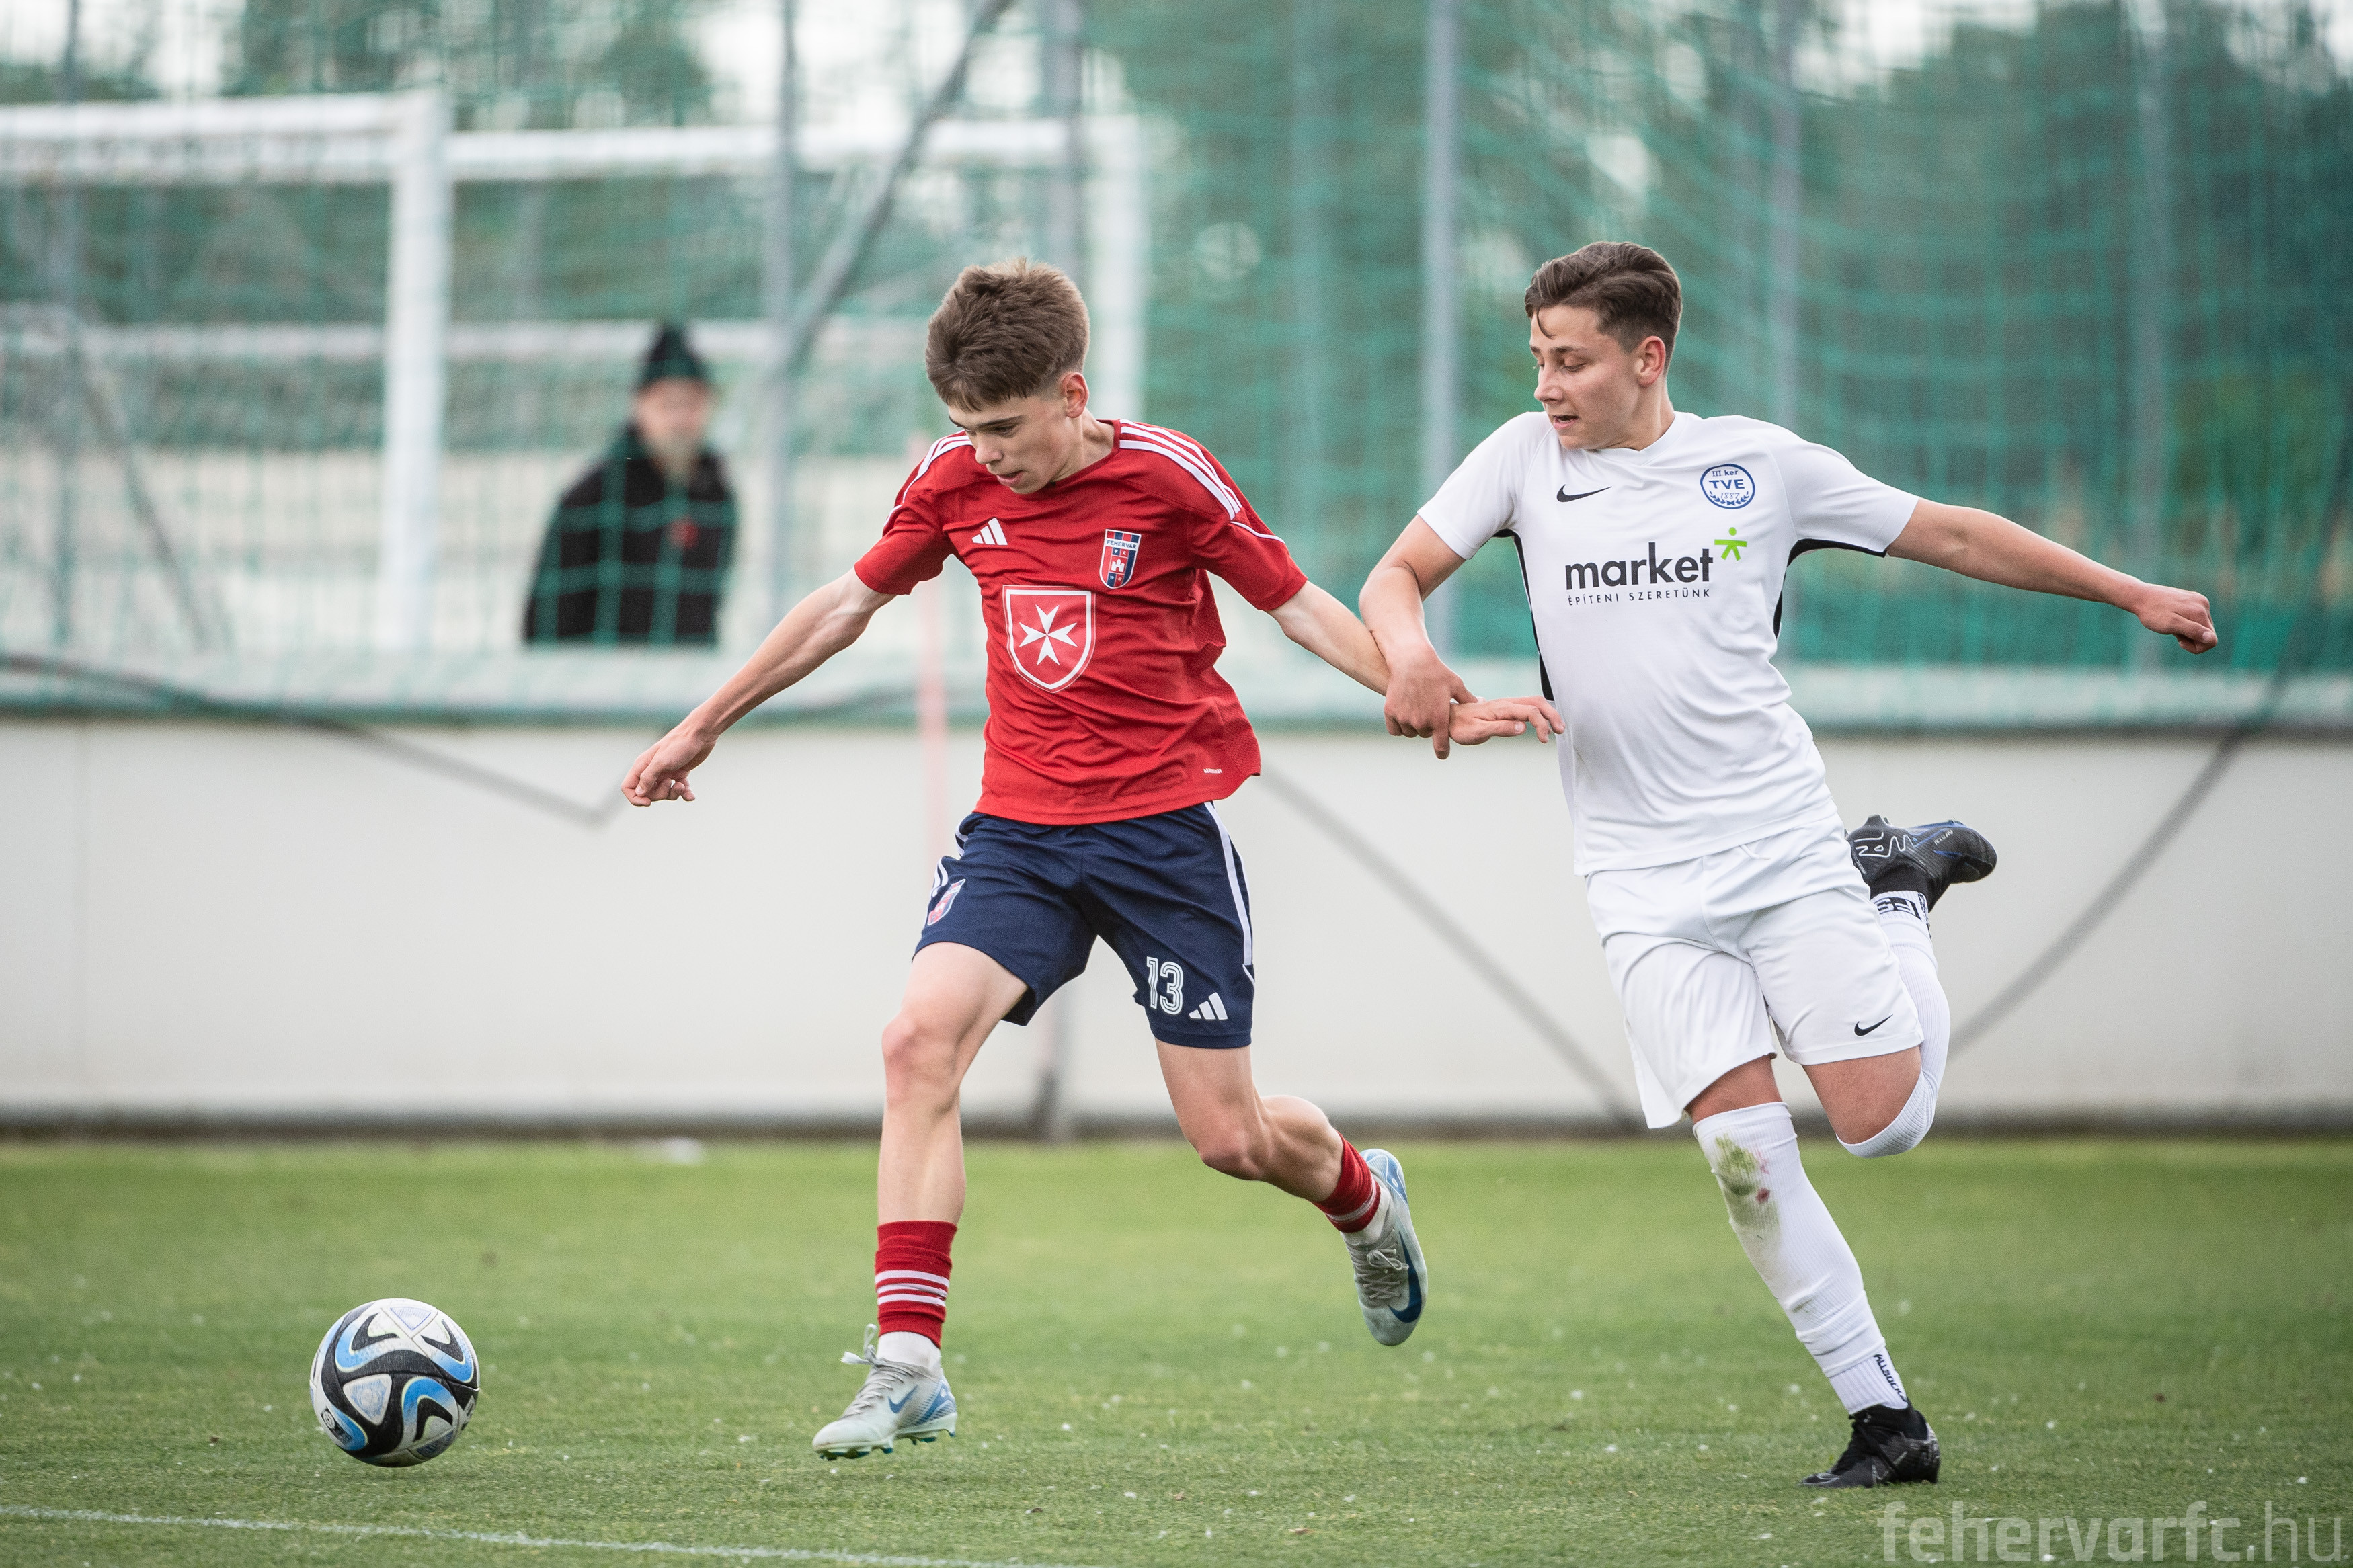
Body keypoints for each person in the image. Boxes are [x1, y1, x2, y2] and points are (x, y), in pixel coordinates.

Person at [620, 259, 1550, 1460]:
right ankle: (908, 1361)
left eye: (1006, 428)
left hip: (1164, 839)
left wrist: (1433, 694)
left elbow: (1296, 605)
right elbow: (843, 605)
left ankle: (1363, 1198)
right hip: (1021, 835)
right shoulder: (952, 482)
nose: (987, 454)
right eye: (967, 429)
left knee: (1230, 1139)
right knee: (915, 1043)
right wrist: (705, 722)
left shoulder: (1168, 476)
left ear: (1073, 393)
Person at [1359, 241, 2217, 1489]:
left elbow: (1954, 536)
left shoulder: (1759, 467)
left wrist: (2131, 592)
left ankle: (1896, 891)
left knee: (1884, 1127)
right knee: (1745, 1162)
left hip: (1779, 844)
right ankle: (1886, 1421)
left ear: (1647, 357)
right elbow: (1396, 574)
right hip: (1637, 881)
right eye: (1537, 358)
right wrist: (1408, 652)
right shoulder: (1521, 460)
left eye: (1571, 361)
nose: (1546, 384)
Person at [523, 322, 737, 645]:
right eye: (668, 405)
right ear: (639, 406)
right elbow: (545, 621)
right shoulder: (593, 497)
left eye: (691, 404)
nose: (680, 419)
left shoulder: (718, 495)